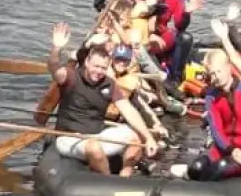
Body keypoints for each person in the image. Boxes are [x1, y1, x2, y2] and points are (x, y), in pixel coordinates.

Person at [47, 22, 159, 176]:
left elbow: (129, 111)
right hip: (69, 138)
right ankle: (108, 182)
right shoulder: (71, 76)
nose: (98, 71)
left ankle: (125, 176)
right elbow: (53, 68)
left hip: (96, 136)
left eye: (103, 68)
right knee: (93, 148)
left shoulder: (109, 84)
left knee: (136, 137)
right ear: (86, 62)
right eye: (96, 66)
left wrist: (148, 137)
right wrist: (56, 48)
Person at [172, 50, 241, 181]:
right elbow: (216, 131)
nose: (216, 78)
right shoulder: (211, 97)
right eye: (212, 74)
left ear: (229, 68)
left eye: (218, 72)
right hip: (226, 149)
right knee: (196, 167)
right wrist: (232, 151)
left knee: (220, 167)